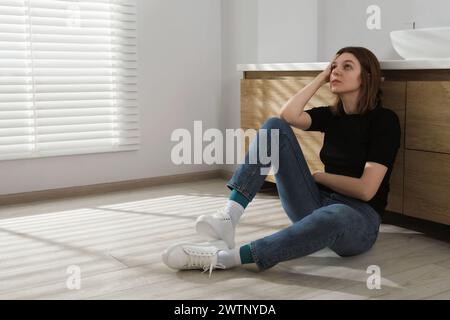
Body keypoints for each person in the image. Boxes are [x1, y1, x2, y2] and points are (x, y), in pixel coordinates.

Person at [162, 46, 401, 277]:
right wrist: (321, 78)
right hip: (315, 203)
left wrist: (320, 177)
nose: (336, 71)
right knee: (274, 127)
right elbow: (288, 115)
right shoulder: (331, 115)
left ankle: (226, 258)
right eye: (333, 66)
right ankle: (229, 216)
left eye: (347, 67)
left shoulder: (384, 121)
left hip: (359, 218)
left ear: (367, 76)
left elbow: (366, 190)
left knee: (337, 213)